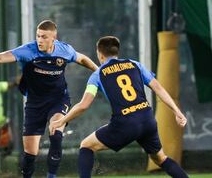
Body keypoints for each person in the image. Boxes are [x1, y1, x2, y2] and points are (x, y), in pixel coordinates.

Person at [0, 20, 98, 178]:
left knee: (55, 132)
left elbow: (82, 59)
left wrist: (100, 72)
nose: (40, 40)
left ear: (54, 38)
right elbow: (0, 57)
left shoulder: (64, 50)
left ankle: (51, 176)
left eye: (44, 37)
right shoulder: (28, 50)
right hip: (34, 103)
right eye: (38, 36)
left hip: (58, 99)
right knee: (30, 153)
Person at [49, 36, 189, 178]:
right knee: (161, 158)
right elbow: (158, 88)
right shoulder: (135, 65)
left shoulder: (98, 74)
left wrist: (61, 121)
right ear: (117, 51)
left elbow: (84, 105)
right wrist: (177, 111)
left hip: (126, 123)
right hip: (147, 119)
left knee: (86, 146)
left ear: (100, 54)